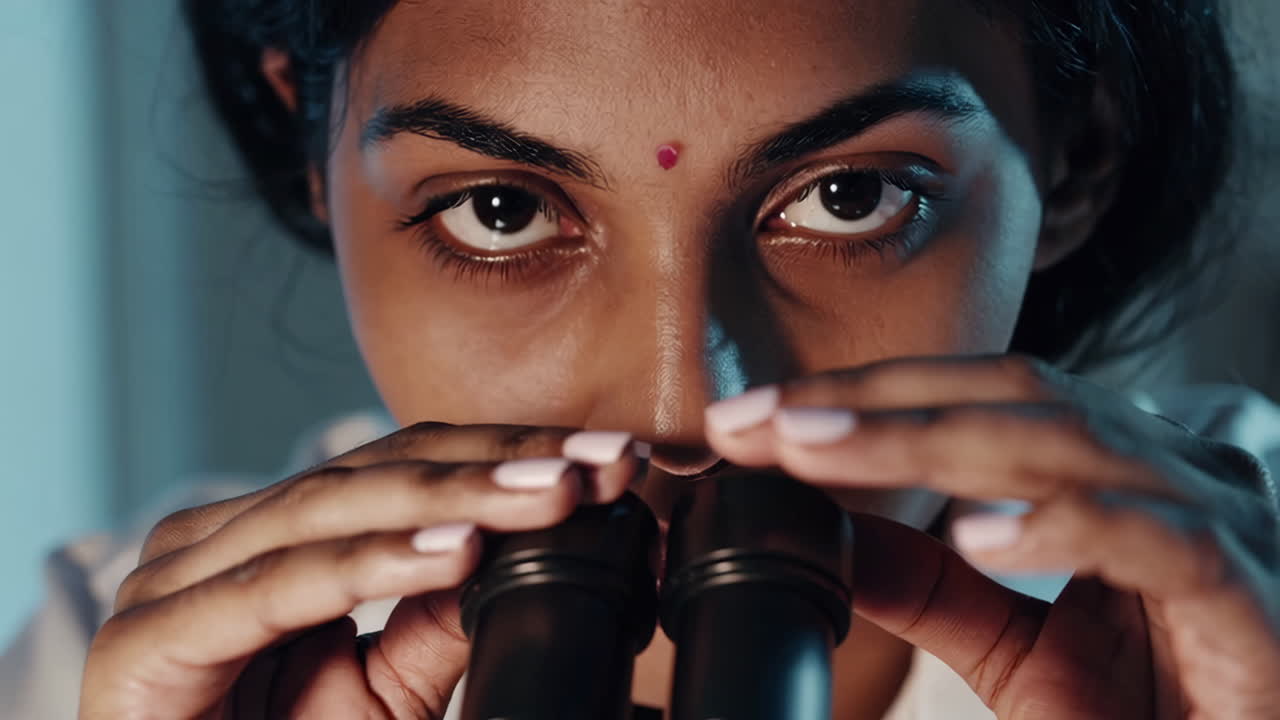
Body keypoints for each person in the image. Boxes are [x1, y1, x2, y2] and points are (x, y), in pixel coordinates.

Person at [4, 0, 1278, 717]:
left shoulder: (1243, 632)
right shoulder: (116, 667)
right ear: (314, 155)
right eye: (499, 211)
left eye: (848, 198)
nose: (688, 407)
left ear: (1075, 153)